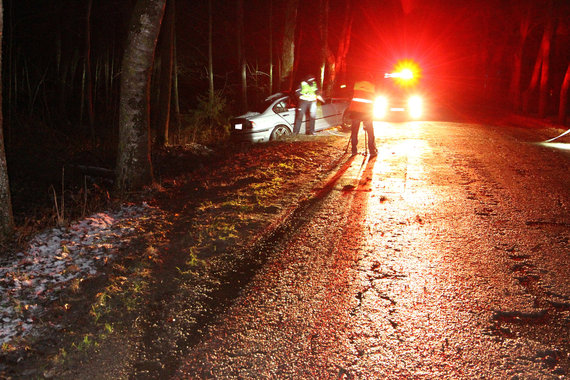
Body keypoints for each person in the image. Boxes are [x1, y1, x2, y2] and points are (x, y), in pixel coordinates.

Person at [347, 77, 378, 156]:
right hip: (366, 113)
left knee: (354, 131)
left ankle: (354, 149)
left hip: (355, 112)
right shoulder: (372, 86)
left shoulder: (356, 85)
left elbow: (351, 97)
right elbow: (373, 100)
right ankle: (372, 150)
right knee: (370, 131)